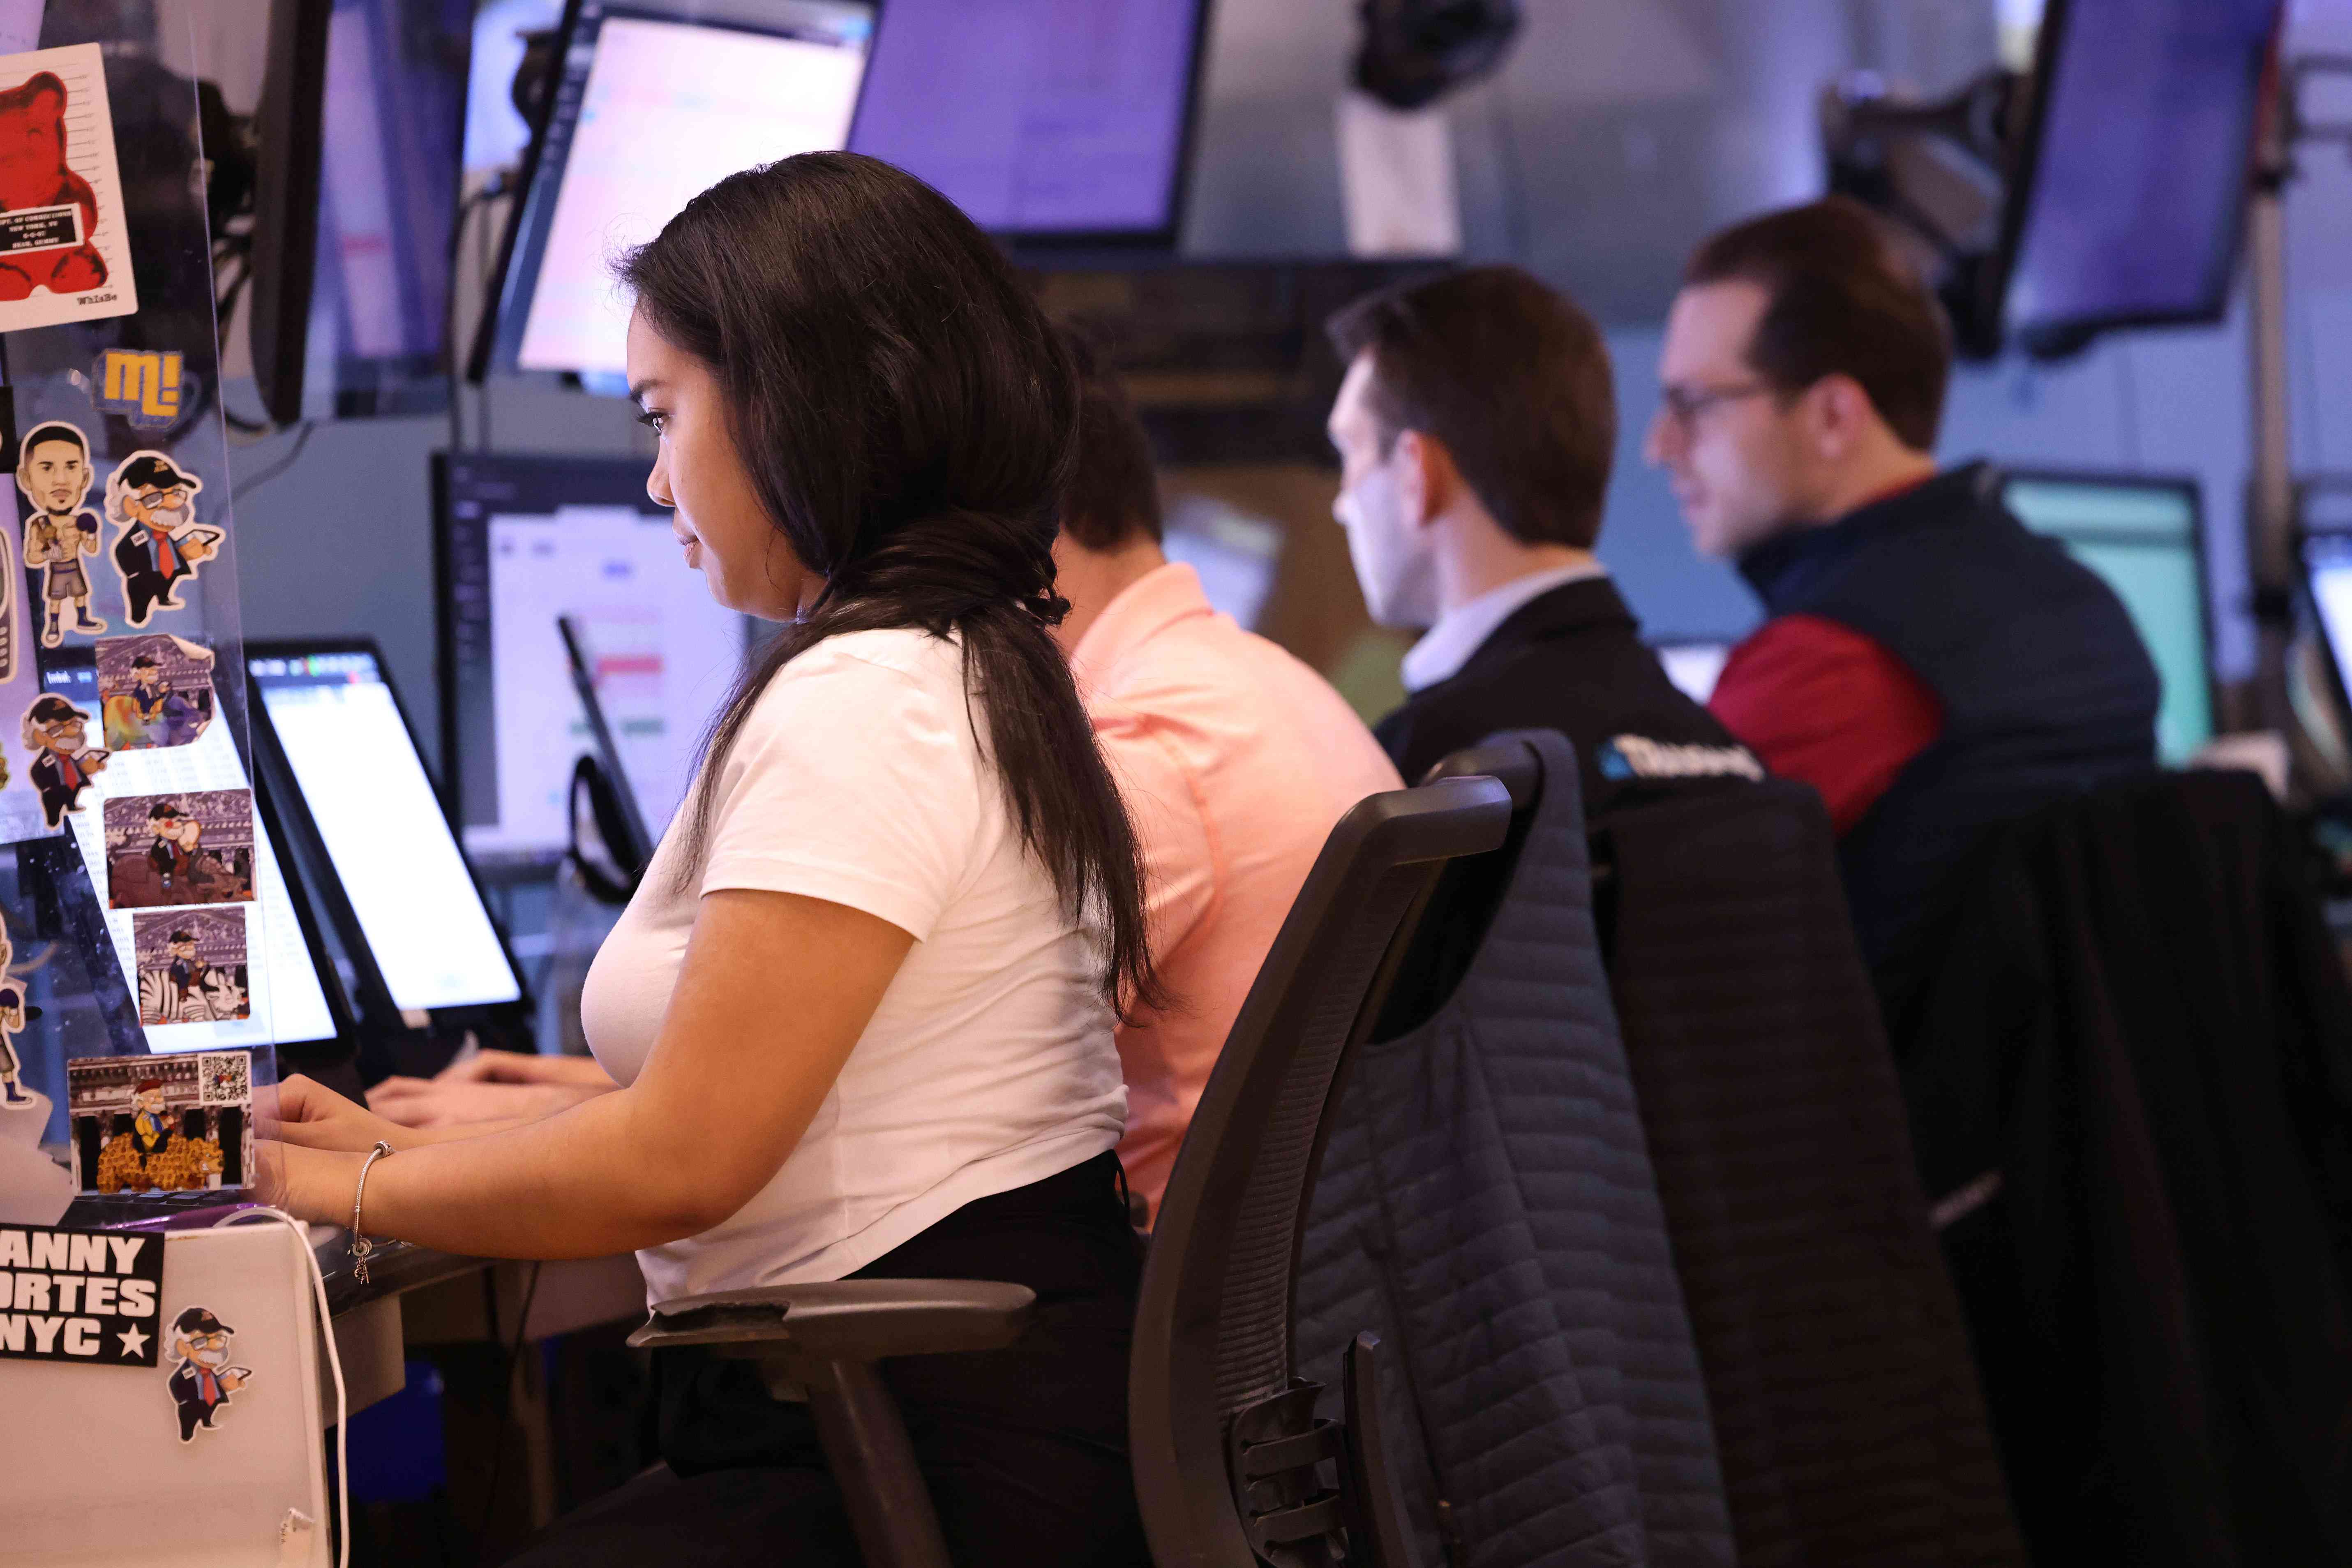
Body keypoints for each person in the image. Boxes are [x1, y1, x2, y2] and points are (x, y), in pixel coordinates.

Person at [263, 152, 1159, 1567]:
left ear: (798, 403)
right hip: (984, 1421)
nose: (654, 472)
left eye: (663, 412)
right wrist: (408, 1145)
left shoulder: (868, 695)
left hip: (922, 1454)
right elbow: (825, 1103)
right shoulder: (963, 662)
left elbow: (687, 1158)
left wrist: (343, 1189)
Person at [1644, 197, 2158, 995]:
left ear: (1830, 415)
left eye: (1693, 405)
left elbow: (1654, 935)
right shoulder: (2087, 604)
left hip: (1902, 1113)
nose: (1658, 446)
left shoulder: (1830, 660)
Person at [1051, 335, 1399, 1224]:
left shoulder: (1143, 743)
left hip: (1160, 1307)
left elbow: (969, 1083)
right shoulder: (1271, 681)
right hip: (1315, 1296)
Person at [1325, 265, 1761, 806]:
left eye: (1351, 452)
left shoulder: (1416, 777)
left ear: (1417, 474)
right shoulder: (1723, 753)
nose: (1342, 503)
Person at [14, 420, 104, 647]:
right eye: (47, 468)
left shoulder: (80, 521)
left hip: (74, 566)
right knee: (55, 600)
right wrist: (48, 556)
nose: (61, 480)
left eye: (71, 467)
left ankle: (83, 619)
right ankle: (53, 626)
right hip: (57, 568)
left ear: (84, 479)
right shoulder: (39, 524)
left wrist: (90, 533)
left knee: (80, 594)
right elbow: (32, 557)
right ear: (26, 479)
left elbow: (91, 549)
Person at [108, 453, 217, 626]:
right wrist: (133, 573)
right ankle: (138, 617)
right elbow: (121, 551)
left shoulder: (165, 535)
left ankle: (164, 598)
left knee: (164, 586)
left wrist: (196, 551)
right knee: (140, 604)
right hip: (142, 579)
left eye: (176, 493)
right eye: (155, 498)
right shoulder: (135, 537)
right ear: (131, 506)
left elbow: (175, 550)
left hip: (164, 576)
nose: (172, 504)